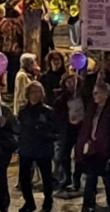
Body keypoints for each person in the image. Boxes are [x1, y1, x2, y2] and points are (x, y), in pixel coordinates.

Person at [76, 82, 110, 211]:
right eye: (94, 93)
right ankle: (88, 204)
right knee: (91, 175)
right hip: (94, 148)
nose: (94, 96)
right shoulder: (92, 109)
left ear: (105, 94)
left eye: (97, 93)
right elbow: (87, 127)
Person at [17, 81, 57, 212]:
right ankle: (29, 203)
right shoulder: (23, 111)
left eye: (39, 91)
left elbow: (56, 131)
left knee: (46, 177)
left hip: (43, 150)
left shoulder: (47, 111)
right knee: (24, 179)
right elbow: (19, 128)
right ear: (28, 94)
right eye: (33, 92)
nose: (36, 95)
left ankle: (48, 201)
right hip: (26, 149)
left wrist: (45, 132)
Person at [0, 98, 17, 212]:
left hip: (2, 151)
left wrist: (5, 124)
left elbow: (15, 130)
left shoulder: (5, 110)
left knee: (1, 177)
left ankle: (3, 204)